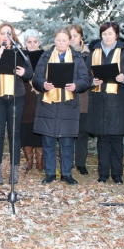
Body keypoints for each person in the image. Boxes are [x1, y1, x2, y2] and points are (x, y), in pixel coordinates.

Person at [32, 28, 89, 184]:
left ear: (69, 41)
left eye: (64, 40)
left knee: (67, 142)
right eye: (58, 40)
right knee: (48, 141)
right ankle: (50, 173)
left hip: (68, 104)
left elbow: (85, 79)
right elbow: (36, 77)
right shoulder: (45, 57)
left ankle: (66, 173)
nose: (61, 43)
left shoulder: (77, 58)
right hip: (48, 104)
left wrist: (76, 85)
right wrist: (43, 84)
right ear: (54, 40)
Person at [0, 22, 33, 184]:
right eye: (2, 33)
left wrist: (24, 72)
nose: (5, 36)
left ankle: (14, 170)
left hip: (16, 97)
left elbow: (30, 72)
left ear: (13, 36)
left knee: (14, 133)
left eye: (8, 33)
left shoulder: (20, 52)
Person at [86, 22, 124, 184]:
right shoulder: (94, 52)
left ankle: (117, 174)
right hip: (99, 102)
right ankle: (103, 174)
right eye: (104, 34)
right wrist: (92, 81)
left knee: (116, 140)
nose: (107, 37)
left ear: (116, 35)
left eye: (110, 34)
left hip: (117, 102)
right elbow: (84, 74)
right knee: (102, 140)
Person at [68, 24, 91, 175]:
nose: (72, 39)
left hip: (83, 96)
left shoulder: (89, 54)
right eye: (69, 36)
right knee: (68, 132)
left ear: (81, 37)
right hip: (66, 97)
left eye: (75, 36)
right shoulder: (61, 53)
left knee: (82, 133)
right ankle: (67, 163)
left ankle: (81, 164)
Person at [21, 29, 44, 171]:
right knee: (25, 126)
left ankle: (40, 160)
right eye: (29, 42)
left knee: (40, 125)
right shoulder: (21, 56)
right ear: (25, 43)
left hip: (41, 95)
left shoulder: (44, 56)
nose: (32, 44)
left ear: (39, 43)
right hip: (25, 94)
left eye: (35, 41)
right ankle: (29, 160)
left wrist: (40, 87)